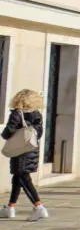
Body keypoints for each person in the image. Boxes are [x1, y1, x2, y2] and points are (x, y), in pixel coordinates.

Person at [0, 89, 47, 221]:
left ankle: (39, 207)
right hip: (31, 149)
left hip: (19, 151)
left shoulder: (17, 114)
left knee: (24, 178)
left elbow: (9, 130)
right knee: (17, 178)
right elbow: (40, 133)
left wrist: (4, 135)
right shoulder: (37, 114)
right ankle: (10, 207)